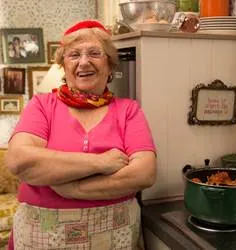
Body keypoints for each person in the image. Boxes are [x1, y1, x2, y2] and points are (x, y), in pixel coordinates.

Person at [5, 20, 157, 250]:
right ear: (64, 66)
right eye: (74, 54)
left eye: (95, 53)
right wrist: (102, 162)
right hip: (40, 238)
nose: (84, 62)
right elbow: (20, 162)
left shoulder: (128, 110)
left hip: (115, 237)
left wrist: (73, 189)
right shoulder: (42, 105)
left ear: (109, 65)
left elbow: (144, 173)